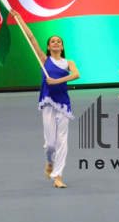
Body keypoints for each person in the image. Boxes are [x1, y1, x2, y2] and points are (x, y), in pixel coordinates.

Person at [10, 10, 80, 188]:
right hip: (48, 104)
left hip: (63, 105)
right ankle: (49, 162)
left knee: (62, 142)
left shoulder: (68, 62)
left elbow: (76, 75)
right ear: (48, 47)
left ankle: (58, 177)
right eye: (52, 42)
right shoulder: (43, 60)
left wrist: (58, 80)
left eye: (59, 41)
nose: (56, 43)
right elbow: (31, 38)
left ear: (62, 46)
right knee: (50, 144)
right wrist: (19, 18)